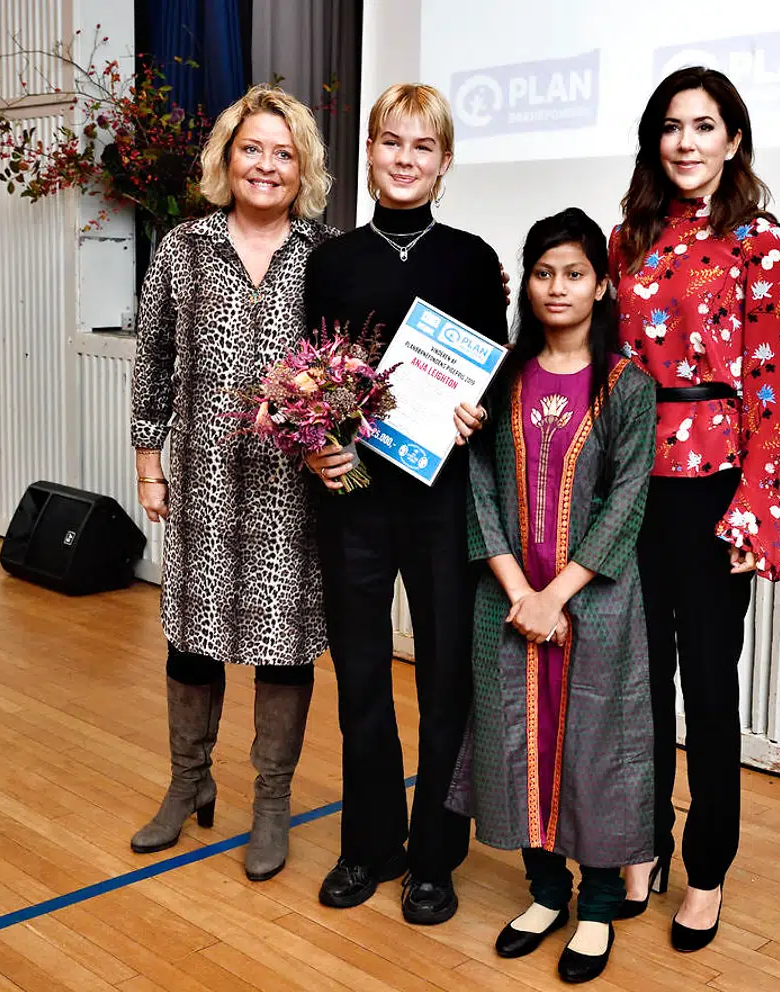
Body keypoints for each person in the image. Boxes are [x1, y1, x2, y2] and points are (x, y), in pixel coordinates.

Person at [302, 83, 507, 925]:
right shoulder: (333, 260)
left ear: (445, 162)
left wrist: (476, 410)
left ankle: (433, 858)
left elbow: (494, 374)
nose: (405, 159)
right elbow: (312, 375)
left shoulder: (470, 258)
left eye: (423, 147)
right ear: (370, 154)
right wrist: (319, 437)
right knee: (360, 679)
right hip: (353, 494)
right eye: (392, 143)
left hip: (442, 498)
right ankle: (369, 844)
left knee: (445, 681)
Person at [607, 66, 780, 952]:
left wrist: (756, 506)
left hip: (719, 485)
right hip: (637, 482)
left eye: (704, 126)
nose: (686, 142)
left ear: (733, 141)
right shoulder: (625, 238)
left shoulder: (762, 241)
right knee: (637, 686)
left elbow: (767, 379)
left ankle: (708, 866)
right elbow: (611, 365)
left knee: (709, 690)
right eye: (671, 126)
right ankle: (639, 842)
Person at [129, 85, 337, 883]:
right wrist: (150, 463)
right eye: (253, 148)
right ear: (227, 156)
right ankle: (188, 782)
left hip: (294, 488)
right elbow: (152, 364)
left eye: (284, 154)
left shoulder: (327, 252)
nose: (266, 165)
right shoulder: (182, 249)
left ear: (303, 169)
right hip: (203, 481)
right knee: (192, 637)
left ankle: (273, 802)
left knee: (284, 646)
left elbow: (361, 362)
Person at [447, 207, 656, 984]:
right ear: (525, 284)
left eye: (574, 273)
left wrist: (556, 596)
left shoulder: (627, 385)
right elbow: (479, 484)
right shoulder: (499, 377)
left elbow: (628, 497)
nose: (556, 288)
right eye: (542, 273)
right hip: (507, 596)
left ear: (602, 285)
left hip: (592, 603)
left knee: (595, 751)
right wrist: (517, 588)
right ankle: (544, 891)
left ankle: (598, 906)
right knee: (516, 738)